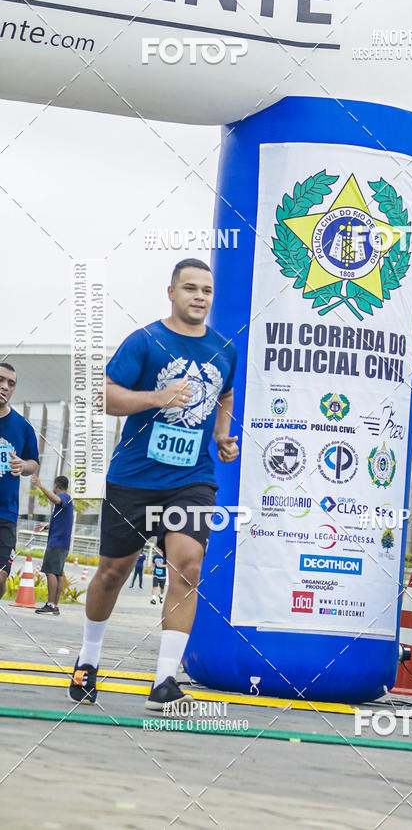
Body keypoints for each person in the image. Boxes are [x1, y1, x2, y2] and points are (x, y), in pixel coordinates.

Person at [69, 259, 239, 710]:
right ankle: (88, 658)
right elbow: (102, 394)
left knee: (189, 564)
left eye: (206, 290)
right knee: (113, 573)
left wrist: (221, 436)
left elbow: (224, 394)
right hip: (135, 479)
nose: (199, 297)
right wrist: (156, 397)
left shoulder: (224, 349)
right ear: (171, 292)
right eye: (190, 288)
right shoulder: (145, 342)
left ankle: (164, 681)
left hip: (192, 479)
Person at [0, 363, 39, 600]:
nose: (4, 386)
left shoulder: (23, 427)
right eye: (0, 380)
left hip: (5, 513)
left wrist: (23, 465)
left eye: (10, 383)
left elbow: (33, 463)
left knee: (1, 576)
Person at [32, 475, 74, 615]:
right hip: (62, 542)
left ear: (56, 485)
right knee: (57, 573)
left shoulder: (65, 497)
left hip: (57, 543)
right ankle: (55, 606)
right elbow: (62, 523)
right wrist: (46, 526)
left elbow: (56, 499)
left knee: (50, 572)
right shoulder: (67, 501)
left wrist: (40, 485)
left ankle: (50, 605)